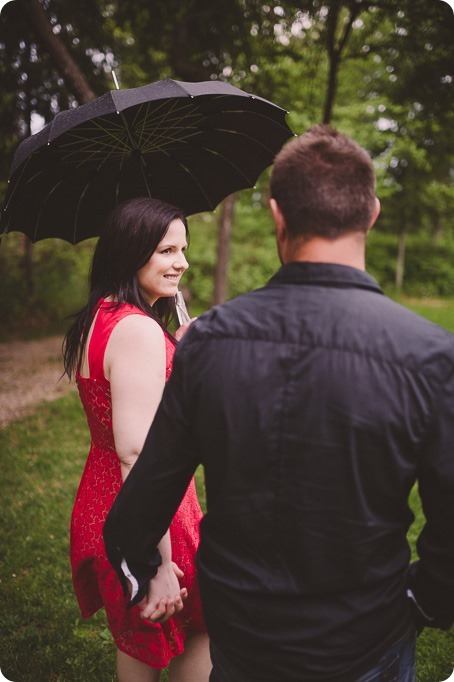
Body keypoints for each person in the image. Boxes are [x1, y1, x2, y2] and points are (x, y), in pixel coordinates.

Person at [103, 127, 454, 681]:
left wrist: (141, 570)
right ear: (373, 214)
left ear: (276, 215)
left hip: (246, 641)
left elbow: (134, 515)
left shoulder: (207, 345)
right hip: (370, 638)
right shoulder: (432, 356)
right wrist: (427, 601)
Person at [63, 197, 211, 682]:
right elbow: (136, 452)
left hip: (107, 501)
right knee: (198, 631)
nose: (182, 263)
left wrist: (179, 355)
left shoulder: (101, 316)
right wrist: (156, 563)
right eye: (168, 251)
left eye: (182, 249)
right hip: (145, 513)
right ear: (132, 253)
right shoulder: (138, 330)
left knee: (140, 641)